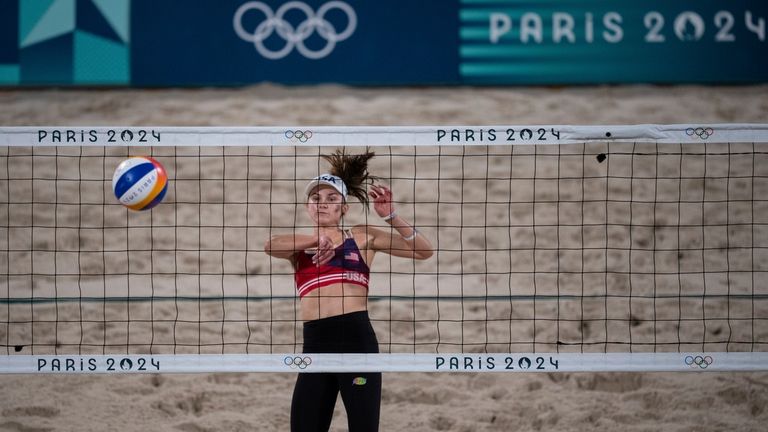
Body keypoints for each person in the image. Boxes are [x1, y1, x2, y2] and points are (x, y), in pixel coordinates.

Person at [264, 149, 433, 432]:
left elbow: (423, 251)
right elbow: (270, 245)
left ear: (344, 208)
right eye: (315, 199)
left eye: (332, 199)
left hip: (356, 341)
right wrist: (315, 241)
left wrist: (391, 216)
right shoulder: (298, 246)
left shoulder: (361, 236)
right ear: (307, 207)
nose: (322, 204)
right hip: (315, 345)